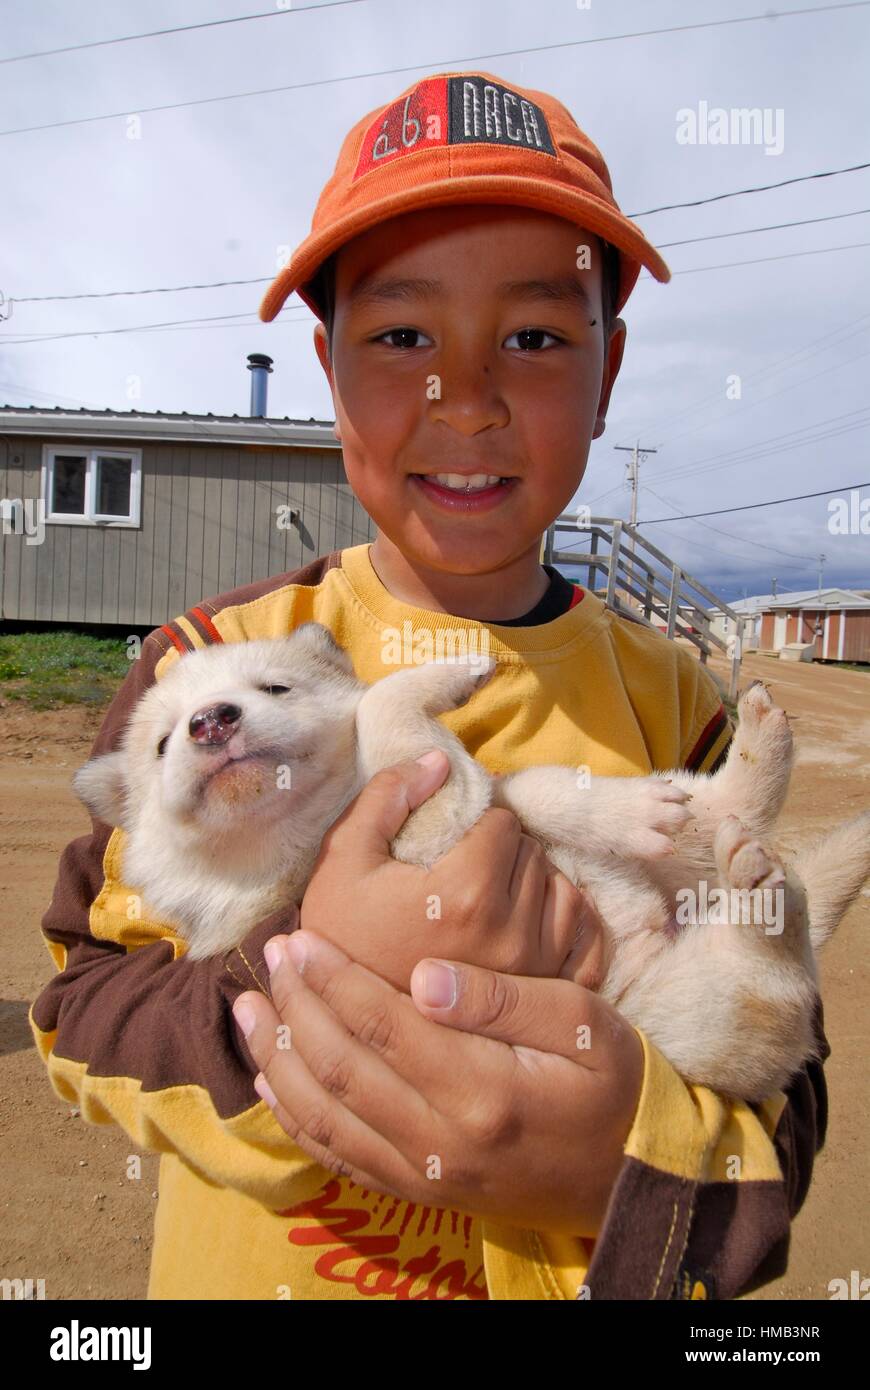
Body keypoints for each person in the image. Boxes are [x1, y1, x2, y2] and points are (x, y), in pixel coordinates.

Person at [31, 70, 827, 1301]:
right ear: (329, 370)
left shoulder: (681, 705)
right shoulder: (210, 660)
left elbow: (787, 1096)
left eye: (536, 336)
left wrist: (618, 1162)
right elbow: (82, 1005)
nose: (467, 398)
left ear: (610, 372)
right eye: (403, 337)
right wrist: (295, 976)